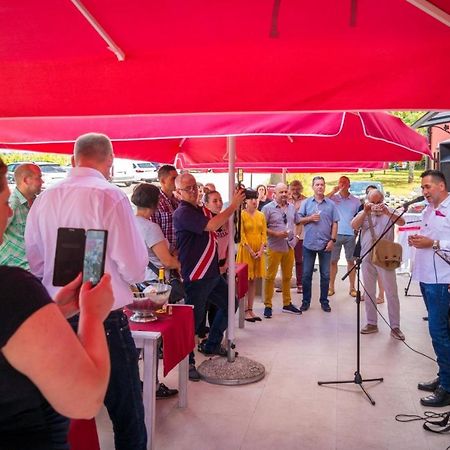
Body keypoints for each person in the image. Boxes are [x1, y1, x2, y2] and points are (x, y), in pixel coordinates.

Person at [25, 133, 149, 450]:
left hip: (57, 315)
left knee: (62, 416)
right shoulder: (111, 196)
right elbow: (134, 268)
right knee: (127, 417)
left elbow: (36, 262)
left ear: (72, 159)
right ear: (110, 161)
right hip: (105, 319)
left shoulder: (44, 198)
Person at [0, 157, 113, 450]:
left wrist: (53, 311)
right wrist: (92, 315)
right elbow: (86, 400)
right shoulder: (12, 289)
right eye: (3, 200)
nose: (9, 210)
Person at [173, 173, 245, 381]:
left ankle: (212, 343)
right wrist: (233, 206)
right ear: (178, 193)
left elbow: (215, 218)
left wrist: (230, 200)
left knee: (230, 303)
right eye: (188, 188)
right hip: (195, 276)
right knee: (193, 324)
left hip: (211, 274)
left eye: (195, 186)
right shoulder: (183, 213)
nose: (194, 190)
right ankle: (188, 364)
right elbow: (211, 226)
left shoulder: (198, 209)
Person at [131, 183, 180, 399]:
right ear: (156, 203)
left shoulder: (128, 224)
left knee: (136, 341)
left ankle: (131, 381)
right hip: (153, 287)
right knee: (152, 340)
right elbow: (167, 261)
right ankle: (153, 384)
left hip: (134, 284)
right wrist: (179, 263)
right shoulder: (150, 228)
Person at [409, 169, 450, 407]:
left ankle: (447, 386)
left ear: (441, 186)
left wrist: (433, 242)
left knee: (439, 332)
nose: (424, 192)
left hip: (442, 280)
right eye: (422, 188)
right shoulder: (427, 209)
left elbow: (437, 241)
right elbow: (428, 236)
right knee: (438, 333)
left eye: (427, 187)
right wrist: (419, 239)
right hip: (426, 277)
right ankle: (444, 376)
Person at [351, 189, 405, 340]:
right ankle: (371, 323)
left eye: (378, 202)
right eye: (372, 202)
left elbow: (402, 221)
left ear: (383, 200)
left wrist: (387, 211)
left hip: (386, 257)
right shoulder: (365, 211)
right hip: (366, 256)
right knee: (368, 291)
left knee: (391, 292)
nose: (376, 206)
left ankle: (395, 327)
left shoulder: (389, 210)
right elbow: (354, 226)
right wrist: (365, 211)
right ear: (367, 201)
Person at [297, 176, 339, 312]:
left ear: (325, 186)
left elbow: (335, 223)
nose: (320, 187)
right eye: (317, 185)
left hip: (325, 244)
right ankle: (305, 301)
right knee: (306, 274)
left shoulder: (331, 204)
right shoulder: (306, 203)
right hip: (309, 244)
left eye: (322, 184)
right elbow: (298, 220)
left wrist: (332, 240)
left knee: (325, 275)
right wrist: (310, 218)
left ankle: (324, 301)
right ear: (313, 187)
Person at [262, 182, 302, 318]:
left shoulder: (292, 208)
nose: (284, 194)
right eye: (281, 192)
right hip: (274, 246)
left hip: (289, 246)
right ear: (275, 194)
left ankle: (287, 303)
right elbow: (262, 228)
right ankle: (268, 305)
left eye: (286, 192)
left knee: (287, 277)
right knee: (270, 277)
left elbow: (298, 222)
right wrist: (275, 234)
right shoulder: (267, 208)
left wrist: (296, 237)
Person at [0, 163, 43, 269]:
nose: (42, 181)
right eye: (39, 177)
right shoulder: (12, 203)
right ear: (26, 180)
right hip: (17, 269)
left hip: (34, 267)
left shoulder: (37, 202)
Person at [327, 176, 361, 297]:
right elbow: (322, 201)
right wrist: (333, 191)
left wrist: (356, 231)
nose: (343, 184)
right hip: (335, 234)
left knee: (351, 261)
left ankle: (352, 287)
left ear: (349, 185)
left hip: (350, 234)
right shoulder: (333, 198)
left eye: (345, 182)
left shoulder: (356, 201)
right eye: (341, 182)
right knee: (333, 261)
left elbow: (359, 216)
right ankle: (331, 286)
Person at [236, 196, 267, 321]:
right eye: (251, 199)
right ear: (245, 201)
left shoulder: (261, 215)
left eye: (255, 199)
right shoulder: (242, 215)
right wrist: (250, 250)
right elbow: (241, 234)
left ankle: (250, 309)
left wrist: (260, 250)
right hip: (246, 250)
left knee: (253, 280)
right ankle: (243, 310)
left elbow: (264, 233)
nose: (254, 201)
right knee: (244, 280)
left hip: (258, 251)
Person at [150, 164, 179, 253]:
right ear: (163, 181)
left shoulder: (177, 200)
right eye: (173, 179)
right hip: (164, 255)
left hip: (179, 253)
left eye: (177, 178)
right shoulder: (156, 202)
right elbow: (153, 233)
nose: (177, 181)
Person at [288, 180, 307, 294]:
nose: (295, 191)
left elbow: (308, 216)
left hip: (301, 235)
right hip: (287, 234)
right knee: (286, 260)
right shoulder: (286, 200)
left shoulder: (306, 200)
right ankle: (287, 282)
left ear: (301, 189)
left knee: (299, 260)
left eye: (297, 189)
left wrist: (299, 219)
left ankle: (300, 283)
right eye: (293, 189)